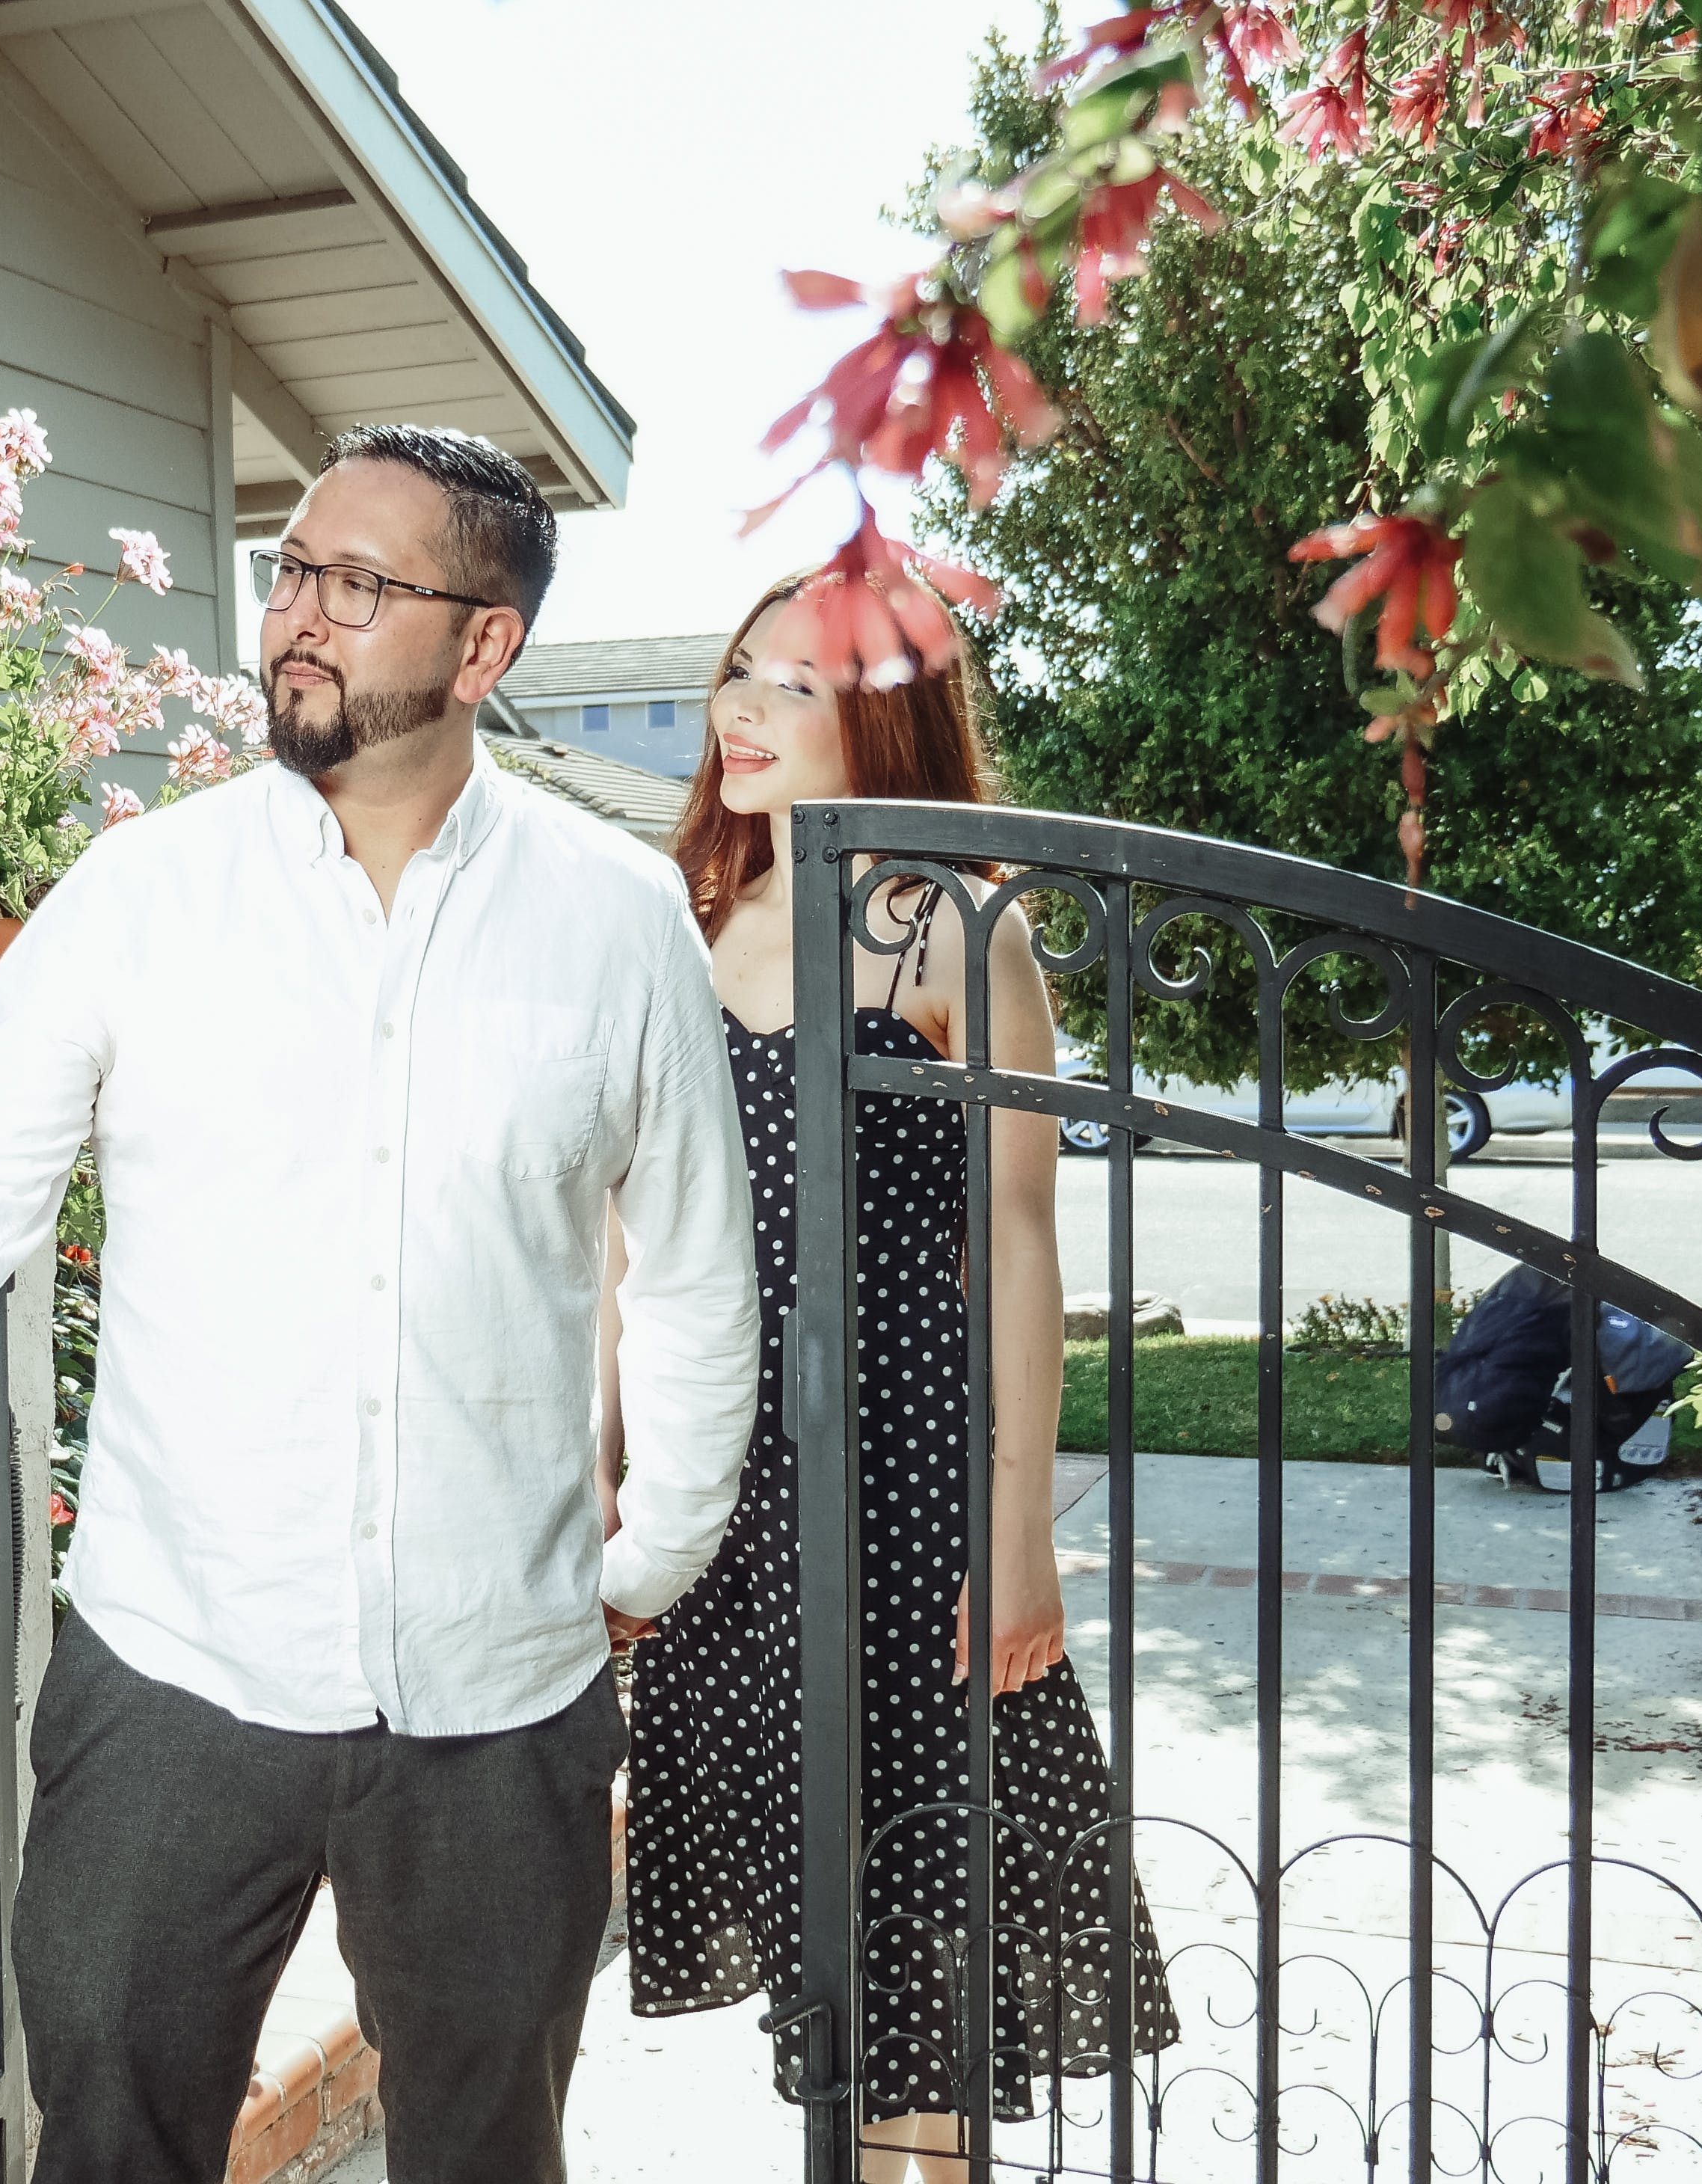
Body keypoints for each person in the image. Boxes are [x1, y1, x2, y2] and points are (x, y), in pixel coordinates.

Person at [0, 424, 761, 2184]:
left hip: (501, 1698)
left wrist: (651, 1558)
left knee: (493, 2147)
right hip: (175, 1673)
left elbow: (699, 1274)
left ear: (483, 646)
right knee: (111, 2135)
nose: (299, 617)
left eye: (361, 584)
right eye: (292, 571)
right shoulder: (144, 895)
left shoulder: (620, 915)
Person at [615, 569, 1175, 2181]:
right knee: (818, 1907)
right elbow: (614, 1237)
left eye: (800, 685)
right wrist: (606, 1469)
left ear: (883, 721)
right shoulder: (685, 918)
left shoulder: (948, 928)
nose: (747, 708)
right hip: (728, 1468)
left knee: (923, 1914)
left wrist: (1022, 1533)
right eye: (746, 670)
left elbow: (1017, 1242)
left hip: (910, 1464)